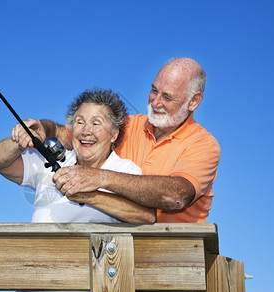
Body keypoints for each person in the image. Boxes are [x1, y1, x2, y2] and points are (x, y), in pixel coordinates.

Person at [0, 88, 156, 292]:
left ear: (114, 134)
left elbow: (146, 215)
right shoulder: (51, 160)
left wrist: (89, 196)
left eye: (96, 123)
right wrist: (19, 140)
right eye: (80, 122)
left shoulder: (125, 170)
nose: (86, 131)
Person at [15, 57, 221, 223]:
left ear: (194, 101)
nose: (155, 102)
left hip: (177, 255)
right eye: (154, 90)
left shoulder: (203, 145)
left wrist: (100, 178)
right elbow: (67, 134)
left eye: (167, 97)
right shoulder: (128, 124)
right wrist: (43, 126)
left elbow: (177, 195)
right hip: (123, 250)